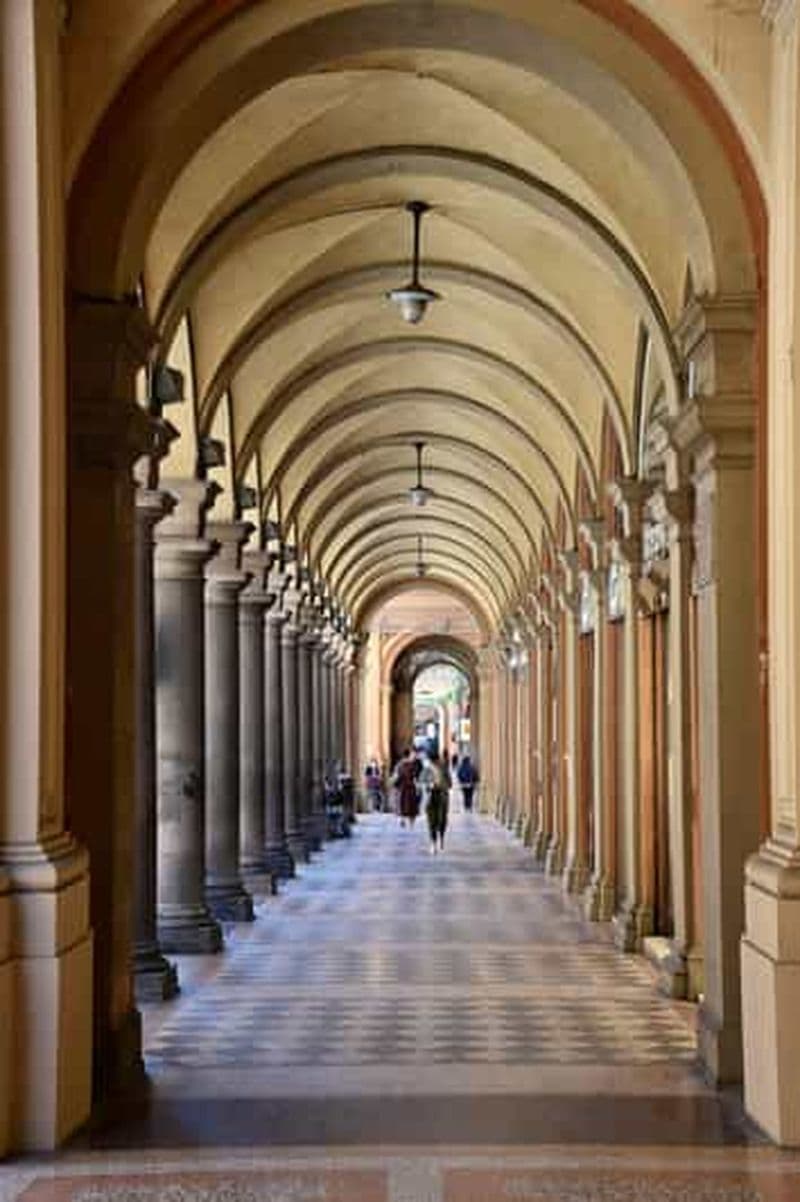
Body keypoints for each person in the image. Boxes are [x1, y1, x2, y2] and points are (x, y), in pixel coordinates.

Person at [420, 750, 450, 854]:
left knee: (441, 820)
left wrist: (441, 785)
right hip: (430, 797)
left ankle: (441, 839)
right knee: (431, 821)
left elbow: (449, 783)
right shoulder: (426, 770)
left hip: (442, 797)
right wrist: (429, 785)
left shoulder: (444, 769)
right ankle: (433, 843)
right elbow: (421, 782)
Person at [393, 748, 420, 827]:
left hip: (402, 786)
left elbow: (396, 775)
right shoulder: (412, 765)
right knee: (412, 804)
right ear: (409, 755)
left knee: (402, 803)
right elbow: (415, 776)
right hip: (411, 786)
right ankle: (412, 822)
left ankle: (402, 819)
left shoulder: (399, 765)